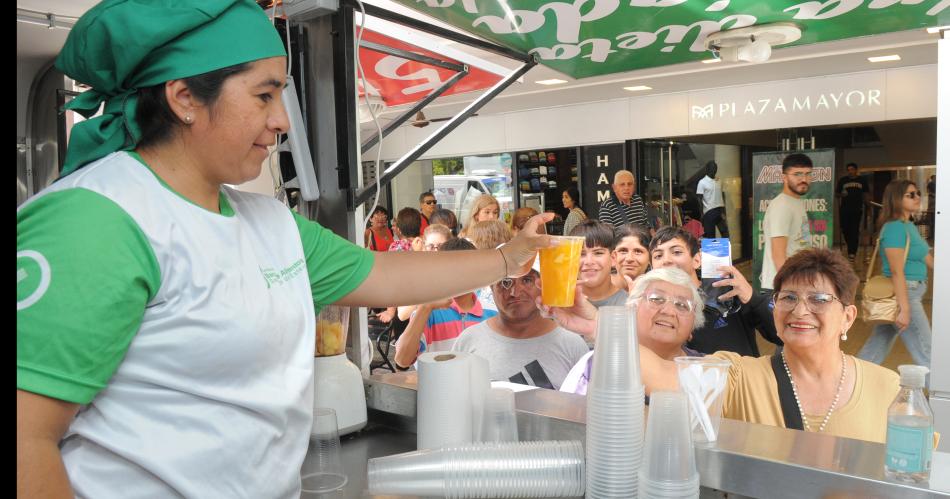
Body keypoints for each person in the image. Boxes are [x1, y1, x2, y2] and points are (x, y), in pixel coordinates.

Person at [16, 3, 555, 496]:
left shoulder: (268, 222)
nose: (280, 121)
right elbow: (25, 439)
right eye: (263, 95)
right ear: (184, 98)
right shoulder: (97, 219)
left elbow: (383, 275)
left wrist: (511, 257)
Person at [550, 249, 900, 443]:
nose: (800, 310)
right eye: (788, 297)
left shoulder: (890, 389)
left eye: (819, 299)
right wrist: (600, 326)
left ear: (848, 317)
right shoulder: (738, 374)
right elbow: (662, 374)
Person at [559, 267, 705, 395]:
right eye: (656, 299)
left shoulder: (710, 371)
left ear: (693, 323)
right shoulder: (596, 363)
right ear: (632, 308)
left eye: (682, 305)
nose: (669, 311)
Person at [452, 261, 589, 390]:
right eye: (505, 282)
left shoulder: (572, 345)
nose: (515, 292)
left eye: (527, 280)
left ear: (543, 285)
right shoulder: (469, 340)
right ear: (491, 287)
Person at [650, 227, 781, 356]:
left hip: (738, 375)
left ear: (696, 260)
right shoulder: (651, 307)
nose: (666, 260)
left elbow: (780, 335)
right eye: (658, 255)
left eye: (677, 252)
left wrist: (753, 298)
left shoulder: (729, 295)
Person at [857, 180, 933, 375]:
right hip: (904, 294)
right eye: (911, 195)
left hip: (909, 292)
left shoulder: (909, 226)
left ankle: (851, 385)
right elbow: (896, 271)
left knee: (877, 346)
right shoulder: (894, 228)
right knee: (927, 351)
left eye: (918, 193)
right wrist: (904, 308)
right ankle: (940, 401)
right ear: (896, 199)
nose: (918, 197)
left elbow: (928, 259)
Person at [393, 238, 497, 369]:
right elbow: (402, 360)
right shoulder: (429, 312)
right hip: (437, 388)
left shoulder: (492, 313)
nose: (459, 276)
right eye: (451, 270)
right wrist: (425, 307)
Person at [761, 153, 814, 293]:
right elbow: (778, 254)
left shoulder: (795, 202)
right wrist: (791, 288)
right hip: (783, 287)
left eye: (808, 174)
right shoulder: (782, 206)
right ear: (784, 177)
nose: (804, 179)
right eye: (797, 174)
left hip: (794, 283)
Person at [568, 220, 627, 308]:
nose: (589, 261)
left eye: (598, 253)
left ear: (613, 258)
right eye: (581, 254)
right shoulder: (559, 304)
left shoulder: (630, 305)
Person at [835, 163, 869, 264]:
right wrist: (841, 194)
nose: (850, 171)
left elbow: (866, 194)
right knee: (845, 229)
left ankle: (852, 252)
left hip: (857, 209)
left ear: (856, 170)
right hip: (844, 209)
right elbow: (837, 193)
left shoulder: (862, 180)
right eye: (848, 169)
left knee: (854, 230)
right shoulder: (843, 180)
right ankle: (850, 247)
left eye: (852, 169)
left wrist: (868, 206)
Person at [610, 224, 652, 290]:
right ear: (613, 257)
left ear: (650, 258)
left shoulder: (658, 291)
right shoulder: (597, 288)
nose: (629, 258)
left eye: (638, 251)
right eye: (623, 251)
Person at [696, 160, 729, 239]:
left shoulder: (719, 181)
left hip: (719, 210)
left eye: (715, 168)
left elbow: (722, 196)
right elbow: (699, 199)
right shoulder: (702, 182)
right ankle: (711, 251)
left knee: (725, 234)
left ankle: (722, 251)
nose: (714, 170)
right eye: (712, 168)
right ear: (707, 169)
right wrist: (701, 213)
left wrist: (724, 211)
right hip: (709, 211)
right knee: (710, 237)